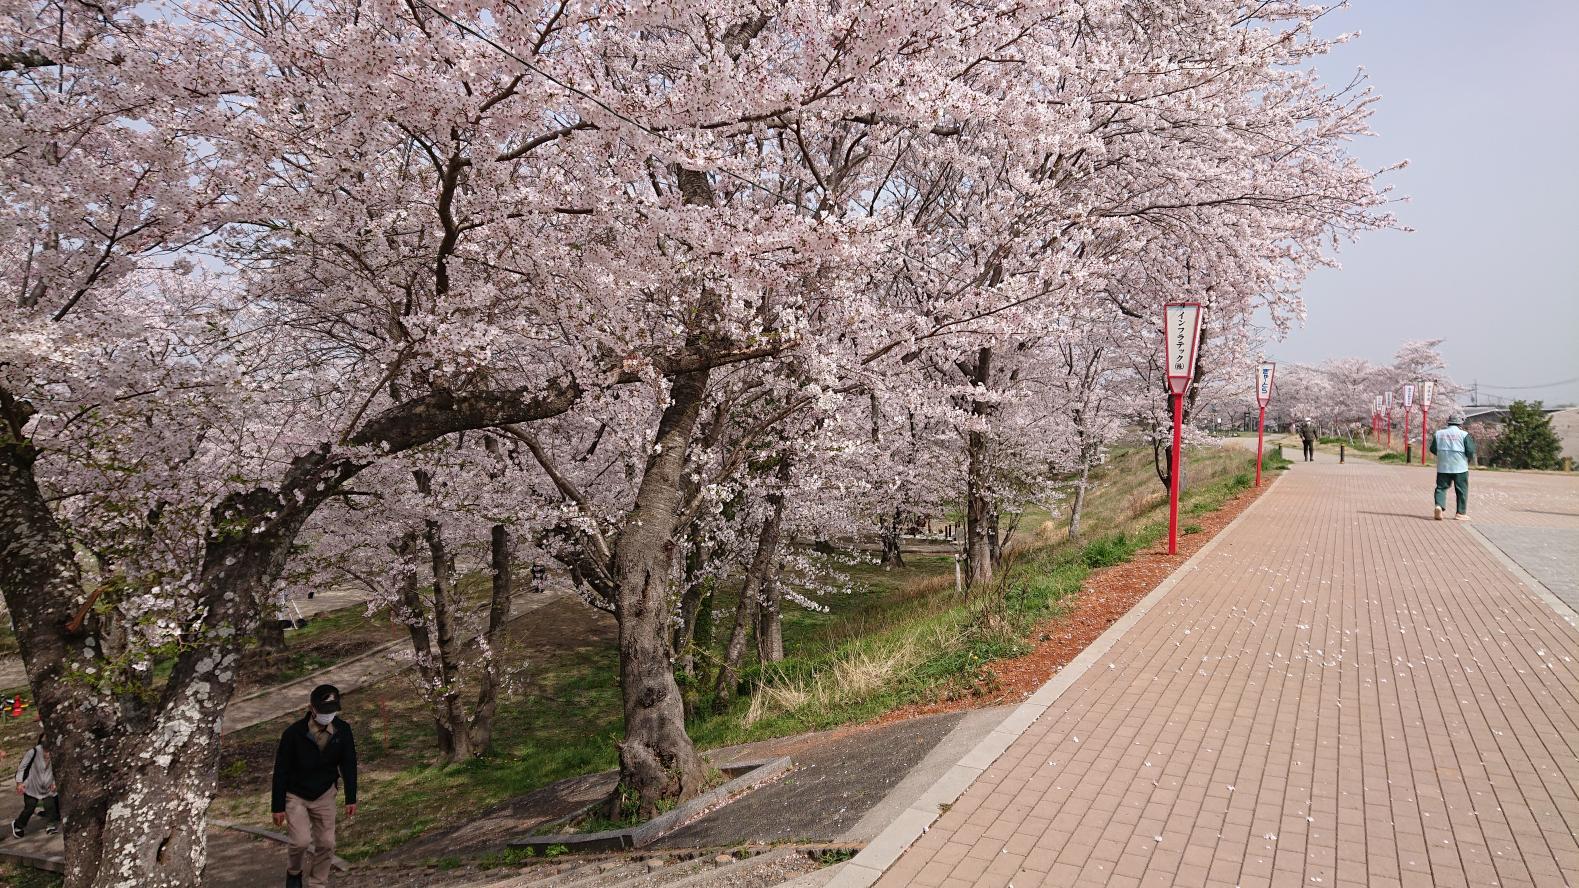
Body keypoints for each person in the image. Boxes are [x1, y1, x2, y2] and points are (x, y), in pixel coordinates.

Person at [272, 684, 357, 888]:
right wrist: (277, 806)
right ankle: (293, 872)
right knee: (300, 841)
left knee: (327, 843)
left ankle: (318, 883)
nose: (328, 715)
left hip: (325, 792)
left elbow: (349, 764)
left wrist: (351, 797)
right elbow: (281, 770)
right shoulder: (293, 733)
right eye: (324, 711)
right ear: (312, 708)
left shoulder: (343, 730)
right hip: (296, 794)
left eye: (332, 710)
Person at [1430, 412, 1476, 521]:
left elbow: (1433, 448)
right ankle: (1460, 513)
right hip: (1460, 466)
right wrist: (1468, 459)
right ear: (1460, 423)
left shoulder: (1439, 434)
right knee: (1461, 490)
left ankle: (1439, 506)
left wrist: (1442, 455)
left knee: (1441, 487)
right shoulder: (1464, 434)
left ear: (1449, 422)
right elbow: (1470, 450)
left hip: (1443, 466)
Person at [12, 735, 59, 838]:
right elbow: (22, 767)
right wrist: (19, 783)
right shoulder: (33, 752)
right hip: (32, 786)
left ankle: (50, 825)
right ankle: (18, 825)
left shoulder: (56, 752)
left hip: (48, 785)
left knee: (50, 806)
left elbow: (59, 769)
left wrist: (55, 783)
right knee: (30, 808)